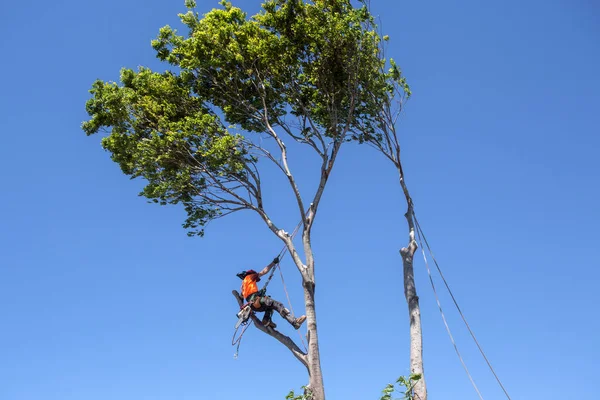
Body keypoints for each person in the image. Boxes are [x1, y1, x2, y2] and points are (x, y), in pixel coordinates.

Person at [237, 257, 306, 330]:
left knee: (269, 306)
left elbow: (241, 297)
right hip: (255, 300)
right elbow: (263, 271)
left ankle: (266, 320)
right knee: (276, 304)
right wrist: (273, 263)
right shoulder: (250, 276)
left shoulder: (243, 286)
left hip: (253, 306)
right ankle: (294, 322)